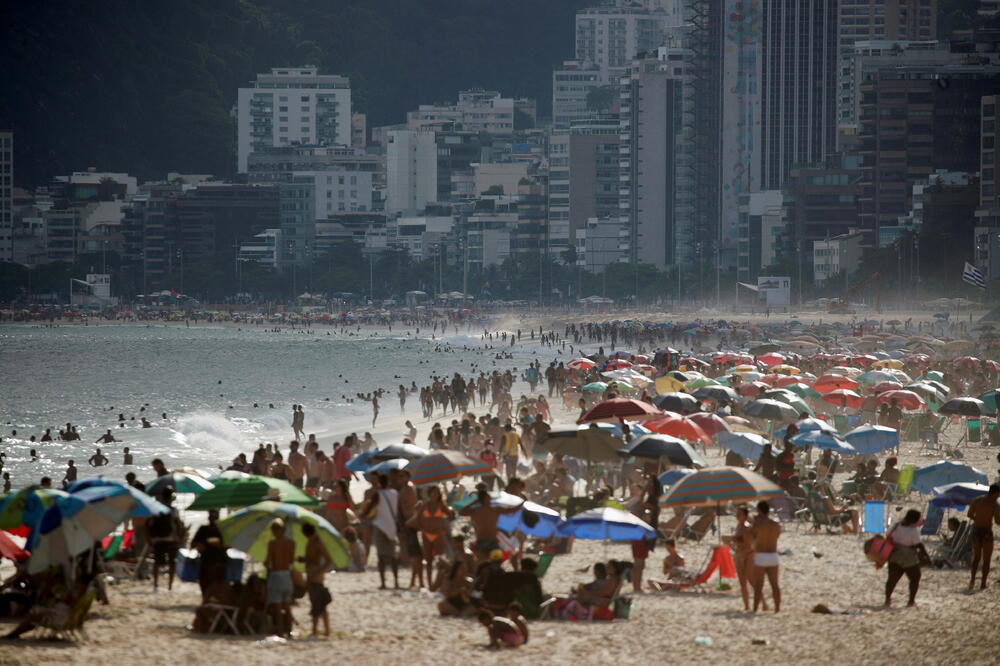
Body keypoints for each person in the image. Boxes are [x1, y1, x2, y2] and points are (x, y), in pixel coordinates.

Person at [459, 488, 523, 561]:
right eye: (489, 497)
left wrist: (474, 502)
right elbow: (461, 512)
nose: (490, 499)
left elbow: (512, 510)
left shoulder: (478, 511)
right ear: (485, 498)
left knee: (489, 564)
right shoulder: (483, 510)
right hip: (485, 541)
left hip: (488, 541)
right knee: (490, 564)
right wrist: (522, 503)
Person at [885, 509, 923, 607]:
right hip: (909, 557)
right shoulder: (913, 530)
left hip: (894, 554)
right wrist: (926, 557)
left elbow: (888, 534)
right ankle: (911, 601)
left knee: (892, 579)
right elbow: (918, 544)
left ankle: (887, 599)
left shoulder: (896, 525)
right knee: (915, 578)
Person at [300, 522, 332, 637]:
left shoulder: (318, 543)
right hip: (311, 576)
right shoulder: (311, 542)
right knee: (317, 605)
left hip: (316, 578)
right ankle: (321, 630)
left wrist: (318, 571)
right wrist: (303, 560)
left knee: (318, 605)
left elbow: (329, 560)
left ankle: (318, 631)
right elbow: (311, 559)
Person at [264, 519, 295, 637]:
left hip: (276, 575)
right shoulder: (291, 543)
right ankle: (289, 631)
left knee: (277, 607)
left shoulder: (272, 544)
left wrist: (265, 564)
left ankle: (281, 631)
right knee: (286, 605)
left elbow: (268, 562)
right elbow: (291, 560)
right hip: (287, 575)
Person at [148, 489, 183, 591]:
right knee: (172, 563)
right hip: (171, 539)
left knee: (157, 563)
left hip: (158, 539)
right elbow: (178, 524)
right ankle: (170, 585)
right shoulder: (173, 510)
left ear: (162, 497)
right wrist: (180, 537)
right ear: (171, 497)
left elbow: (150, 524)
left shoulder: (157, 509)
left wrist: (150, 538)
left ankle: (155, 584)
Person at [967, 483, 1000, 590]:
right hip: (986, 531)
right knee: (986, 559)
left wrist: (977, 519)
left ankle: (972, 581)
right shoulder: (994, 504)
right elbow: (997, 521)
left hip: (976, 530)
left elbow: (969, 514)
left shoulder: (977, 500)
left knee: (976, 558)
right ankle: (983, 583)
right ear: (996, 493)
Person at [189, 509, 226, 600]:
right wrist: (199, 545)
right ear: (209, 518)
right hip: (206, 563)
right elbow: (192, 544)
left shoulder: (223, 530)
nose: (213, 520)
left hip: (219, 564)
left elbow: (229, 546)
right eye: (212, 517)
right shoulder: (203, 529)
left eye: (215, 517)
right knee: (206, 588)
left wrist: (220, 546)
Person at [751, 500, 781, 613]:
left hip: (761, 556)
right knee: (775, 585)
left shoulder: (758, 524)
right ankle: (777, 609)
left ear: (759, 510)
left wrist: (754, 521)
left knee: (758, 585)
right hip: (773, 555)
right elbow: (777, 537)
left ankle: (754, 609)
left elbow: (752, 537)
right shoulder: (775, 525)